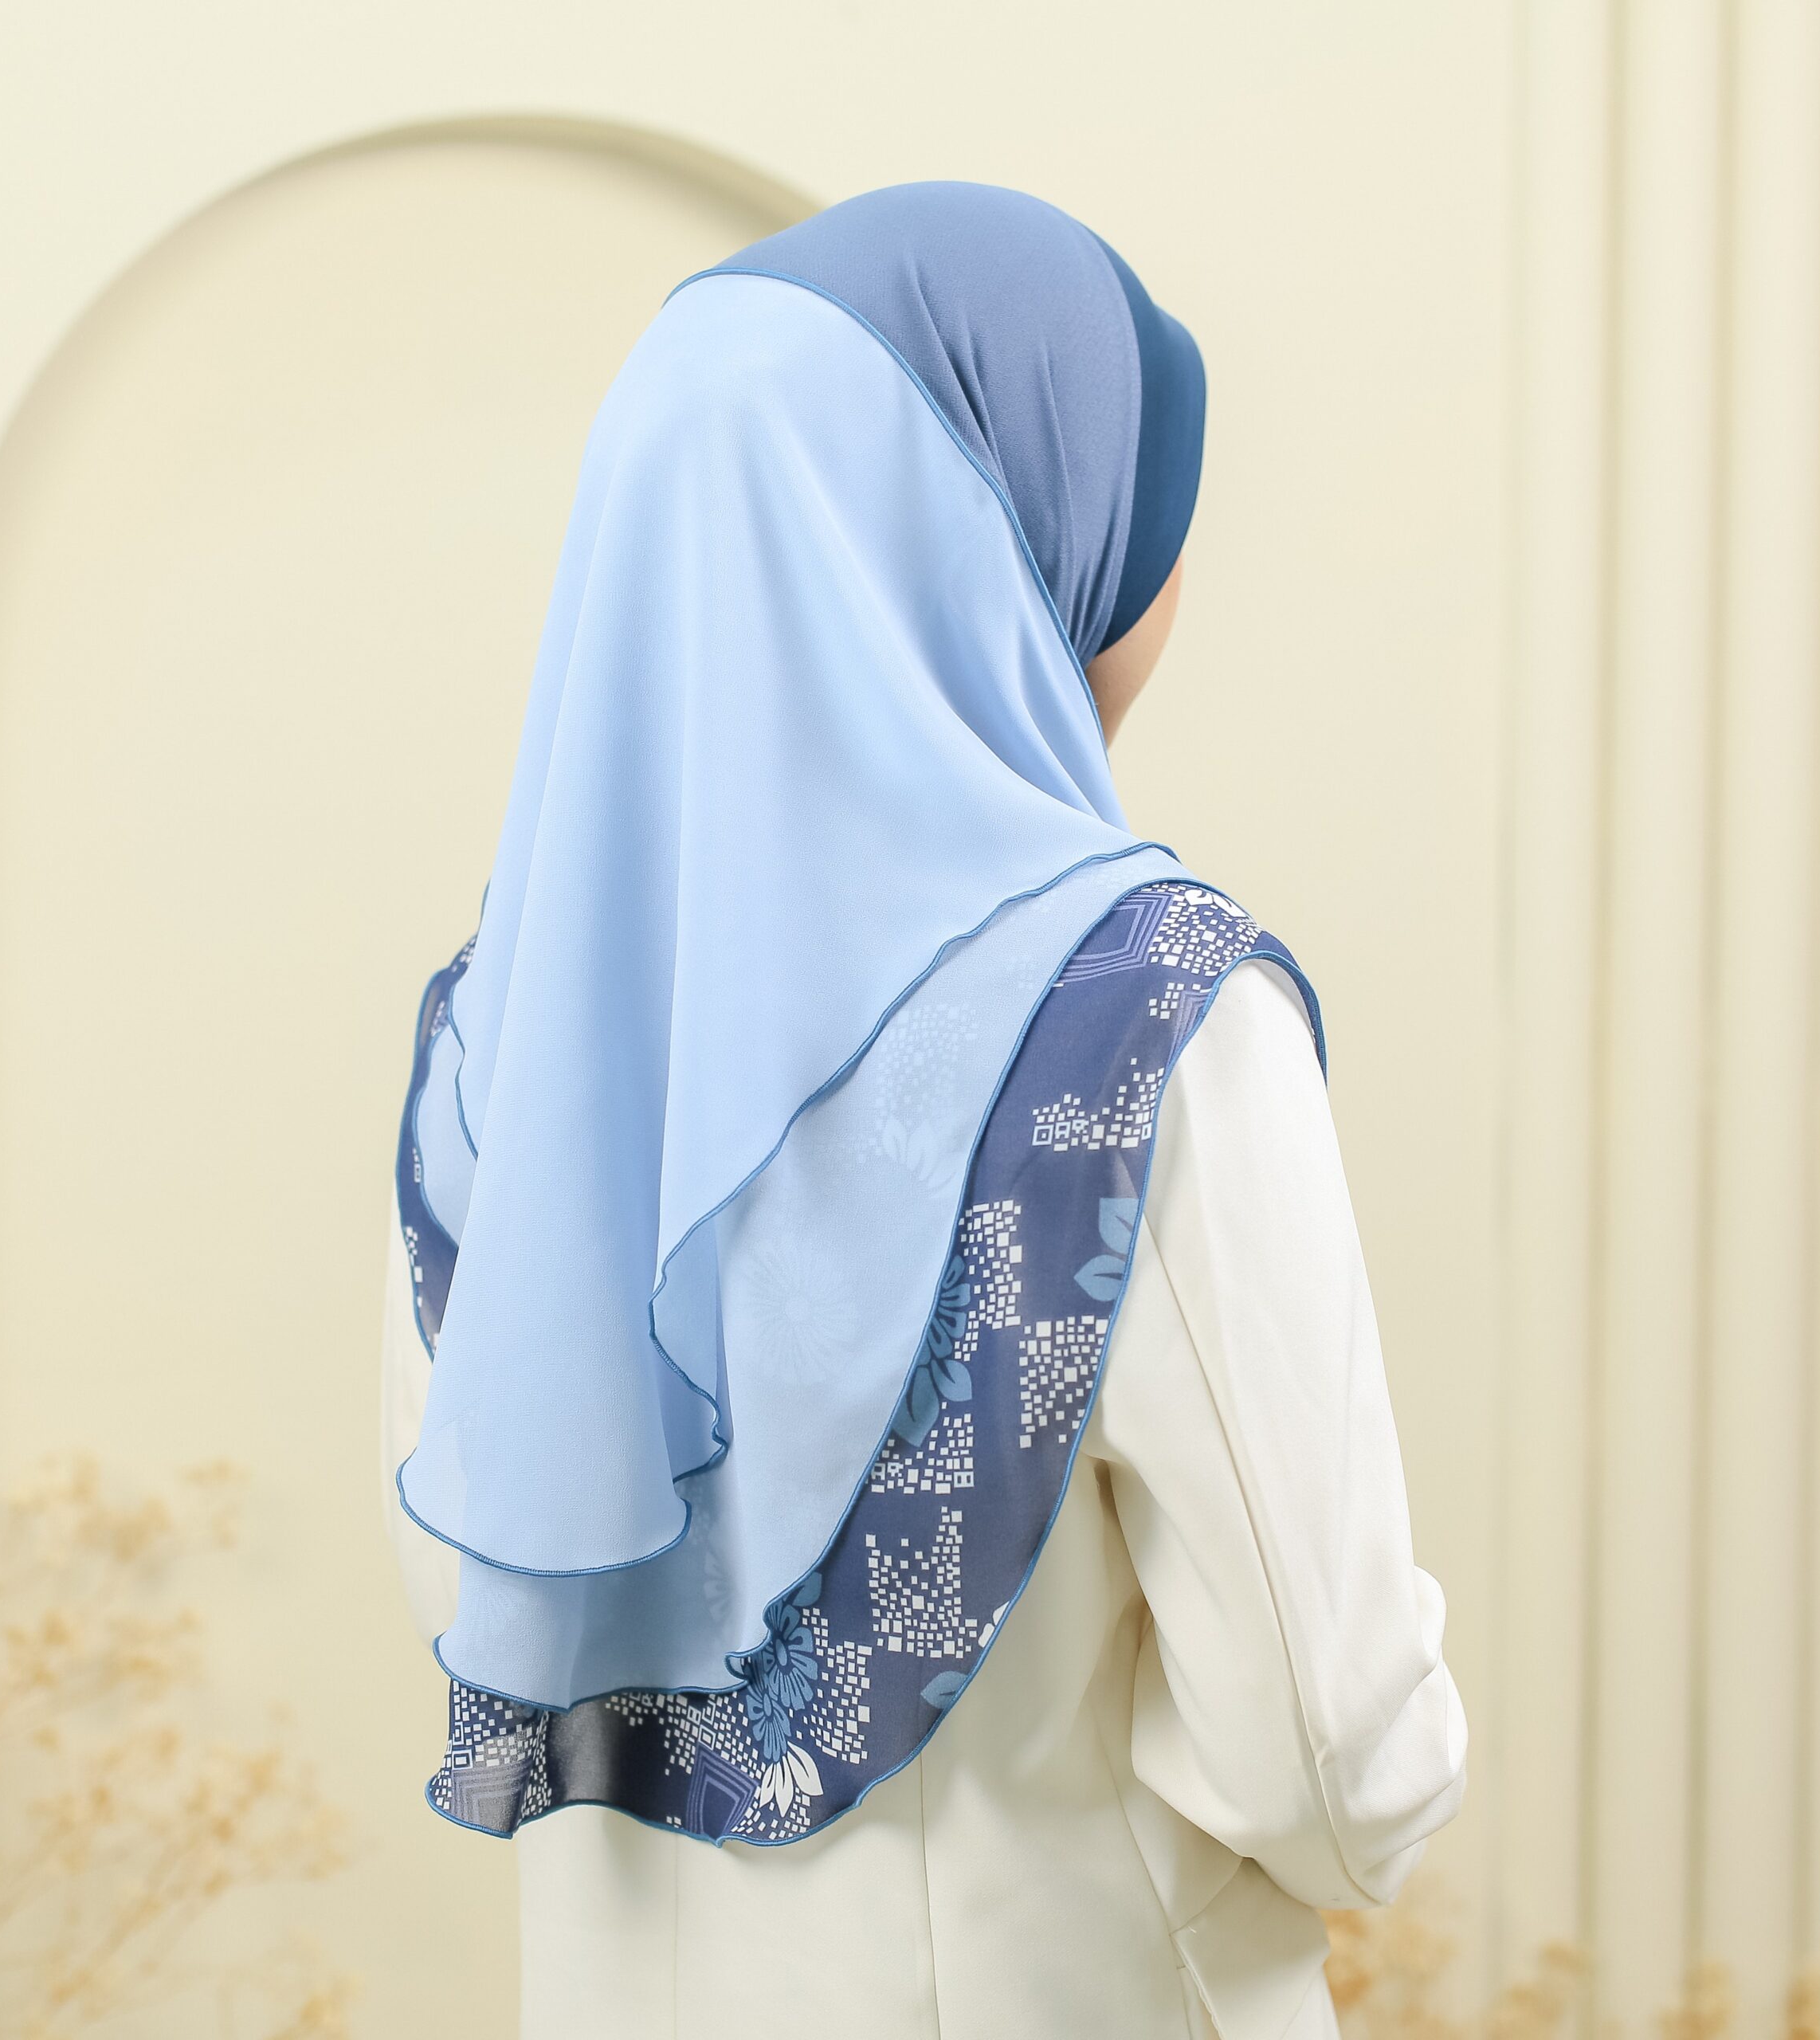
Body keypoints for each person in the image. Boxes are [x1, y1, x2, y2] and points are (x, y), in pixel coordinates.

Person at [380, 182, 1465, 2040]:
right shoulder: (1145, 1018)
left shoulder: (498, 1042)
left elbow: (510, 1605)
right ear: (1012, 529)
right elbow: (1329, 1752)